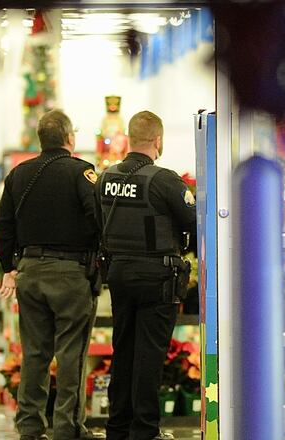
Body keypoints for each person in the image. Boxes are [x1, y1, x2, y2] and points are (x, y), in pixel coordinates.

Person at [0, 109, 105, 440]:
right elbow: (98, 218)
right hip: (71, 275)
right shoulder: (82, 172)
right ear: (69, 138)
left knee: (34, 353)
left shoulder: (18, 175)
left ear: (41, 139)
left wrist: (9, 267)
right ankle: (67, 428)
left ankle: (30, 427)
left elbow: (3, 226)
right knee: (71, 354)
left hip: (29, 273)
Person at [95, 111, 197, 440]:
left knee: (123, 350)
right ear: (158, 141)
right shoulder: (165, 180)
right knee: (149, 356)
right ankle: (145, 431)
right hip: (157, 278)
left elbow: (98, 223)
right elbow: (194, 222)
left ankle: (118, 427)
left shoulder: (106, 178)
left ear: (129, 139)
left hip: (119, 275)